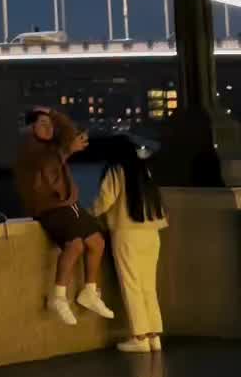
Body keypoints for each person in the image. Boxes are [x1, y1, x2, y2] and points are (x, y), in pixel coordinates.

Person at [14, 105, 114, 326]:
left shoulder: (49, 145)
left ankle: (89, 291)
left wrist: (54, 115)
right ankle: (58, 297)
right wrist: (69, 150)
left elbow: (67, 136)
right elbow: (47, 164)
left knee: (97, 242)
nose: (48, 128)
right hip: (50, 207)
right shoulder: (30, 146)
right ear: (30, 127)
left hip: (67, 203)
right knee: (75, 244)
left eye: (50, 124)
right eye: (42, 123)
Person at [92, 137, 167, 354]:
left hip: (127, 233)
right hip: (151, 233)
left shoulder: (116, 171)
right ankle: (154, 336)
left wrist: (89, 214)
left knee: (132, 285)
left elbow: (104, 201)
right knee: (148, 286)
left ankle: (139, 337)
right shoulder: (145, 171)